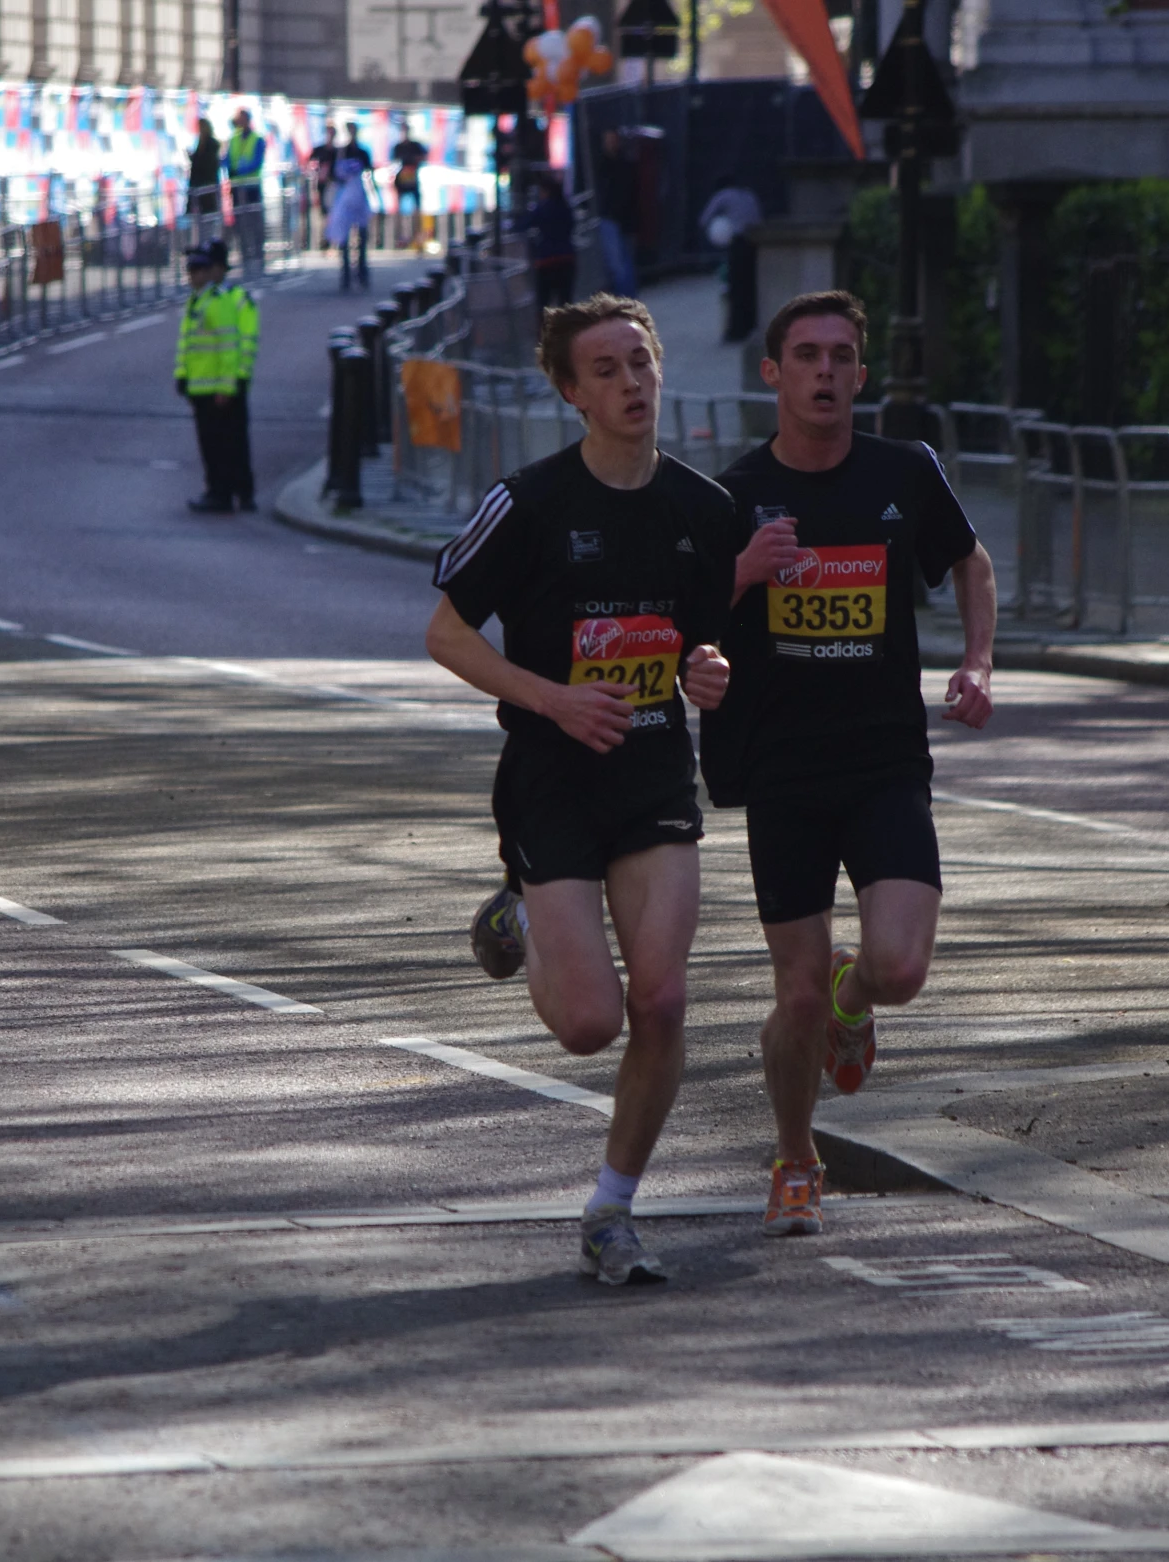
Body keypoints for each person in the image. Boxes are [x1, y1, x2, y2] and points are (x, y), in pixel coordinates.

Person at [426, 294, 734, 1286]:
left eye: (640, 361)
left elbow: (702, 638)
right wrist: (552, 698)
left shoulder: (702, 507)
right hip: (553, 781)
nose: (630, 382)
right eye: (604, 370)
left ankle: (613, 1205)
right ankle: (521, 910)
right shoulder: (529, 504)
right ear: (570, 392)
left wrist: (707, 670)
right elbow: (447, 633)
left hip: (652, 773)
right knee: (590, 1021)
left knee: (666, 996)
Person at [702, 291, 997, 1238]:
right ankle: (797, 1158)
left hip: (883, 763)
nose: (825, 373)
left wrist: (978, 660)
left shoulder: (904, 473)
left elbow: (973, 563)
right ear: (774, 374)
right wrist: (741, 573)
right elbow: (682, 624)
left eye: (841, 357)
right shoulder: (734, 495)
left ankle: (854, 994)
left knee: (901, 967)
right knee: (789, 994)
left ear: (861, 376)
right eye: (807, 356)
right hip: (781, 769)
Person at [174, 241, 258, 514]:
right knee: (215, 444)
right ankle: (224, 492)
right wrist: (183, 375)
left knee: (229, 443)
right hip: (204, 385)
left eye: (199, 269)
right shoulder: (198, 301)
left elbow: (233, 345)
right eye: (191, 270)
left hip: (222, 385)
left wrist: (233, 381)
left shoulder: (223, 301)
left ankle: (233, 493)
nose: (193, 275)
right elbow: (188, 344)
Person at [699, 179, 764, 343]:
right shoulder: (750, 195)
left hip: (737, 243)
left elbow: (705, 218)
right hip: (755, 243)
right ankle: (751, 325)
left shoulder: (724, 195)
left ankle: (736, 330)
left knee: (735, 287)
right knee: (750, 287)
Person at [327, 126, 374, 293]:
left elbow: (369, 175)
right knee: (344, 238)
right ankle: (346, 274)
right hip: (344, 201)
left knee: (362, 237)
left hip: (359, 199)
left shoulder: (362, 152)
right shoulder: (340, 153)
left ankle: (362, 272)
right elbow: (332, 176)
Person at [593, 131, 639, 298]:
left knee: (620, 263)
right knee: (620, 263)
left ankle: (626, 299)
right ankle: (627, 298)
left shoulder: (618, 164)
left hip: (616, 217)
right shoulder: (612, 164)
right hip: (615, 217)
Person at [522, 175, 576, 314]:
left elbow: (525, 223)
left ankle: (547, 333)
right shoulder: (565, 207)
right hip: (567, 258)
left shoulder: (543, 208)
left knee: (544, 303)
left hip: (547, 261)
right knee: (565, 302)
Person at [224, 108, 267, 279]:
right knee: (240, 225)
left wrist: (241, 170)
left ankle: (258, 257)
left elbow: (257, 161)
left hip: (251, 187)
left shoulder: (257, 139)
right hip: (236, 188)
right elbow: (227, 160)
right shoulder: (233, 139)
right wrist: (230, 169)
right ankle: (246, 258)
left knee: (255, 224)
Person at [388, 118, 428, 250]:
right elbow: (393, 163)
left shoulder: (415, 146)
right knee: (399, 211)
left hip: (413, 180)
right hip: (401, 180)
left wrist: (414, 161)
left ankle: (417, 238)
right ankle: (400, 238)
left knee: (416, 210)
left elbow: (424, 156)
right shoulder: (398, 147)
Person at [304, 124, 339, 251]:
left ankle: (333, 241)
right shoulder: (319, 150)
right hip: (321, 186)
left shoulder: (338, 151)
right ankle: (323, 241)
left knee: (333, 214)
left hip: (334, 186)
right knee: (322, 214)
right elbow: (309, 164)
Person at [189, 117, 222, 237]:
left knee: (210, 218)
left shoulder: (212, 145)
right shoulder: (200, 143)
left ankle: (211, 241)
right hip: (200, 187)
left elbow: (209, 165)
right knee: (201, 220)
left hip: (208, 187)